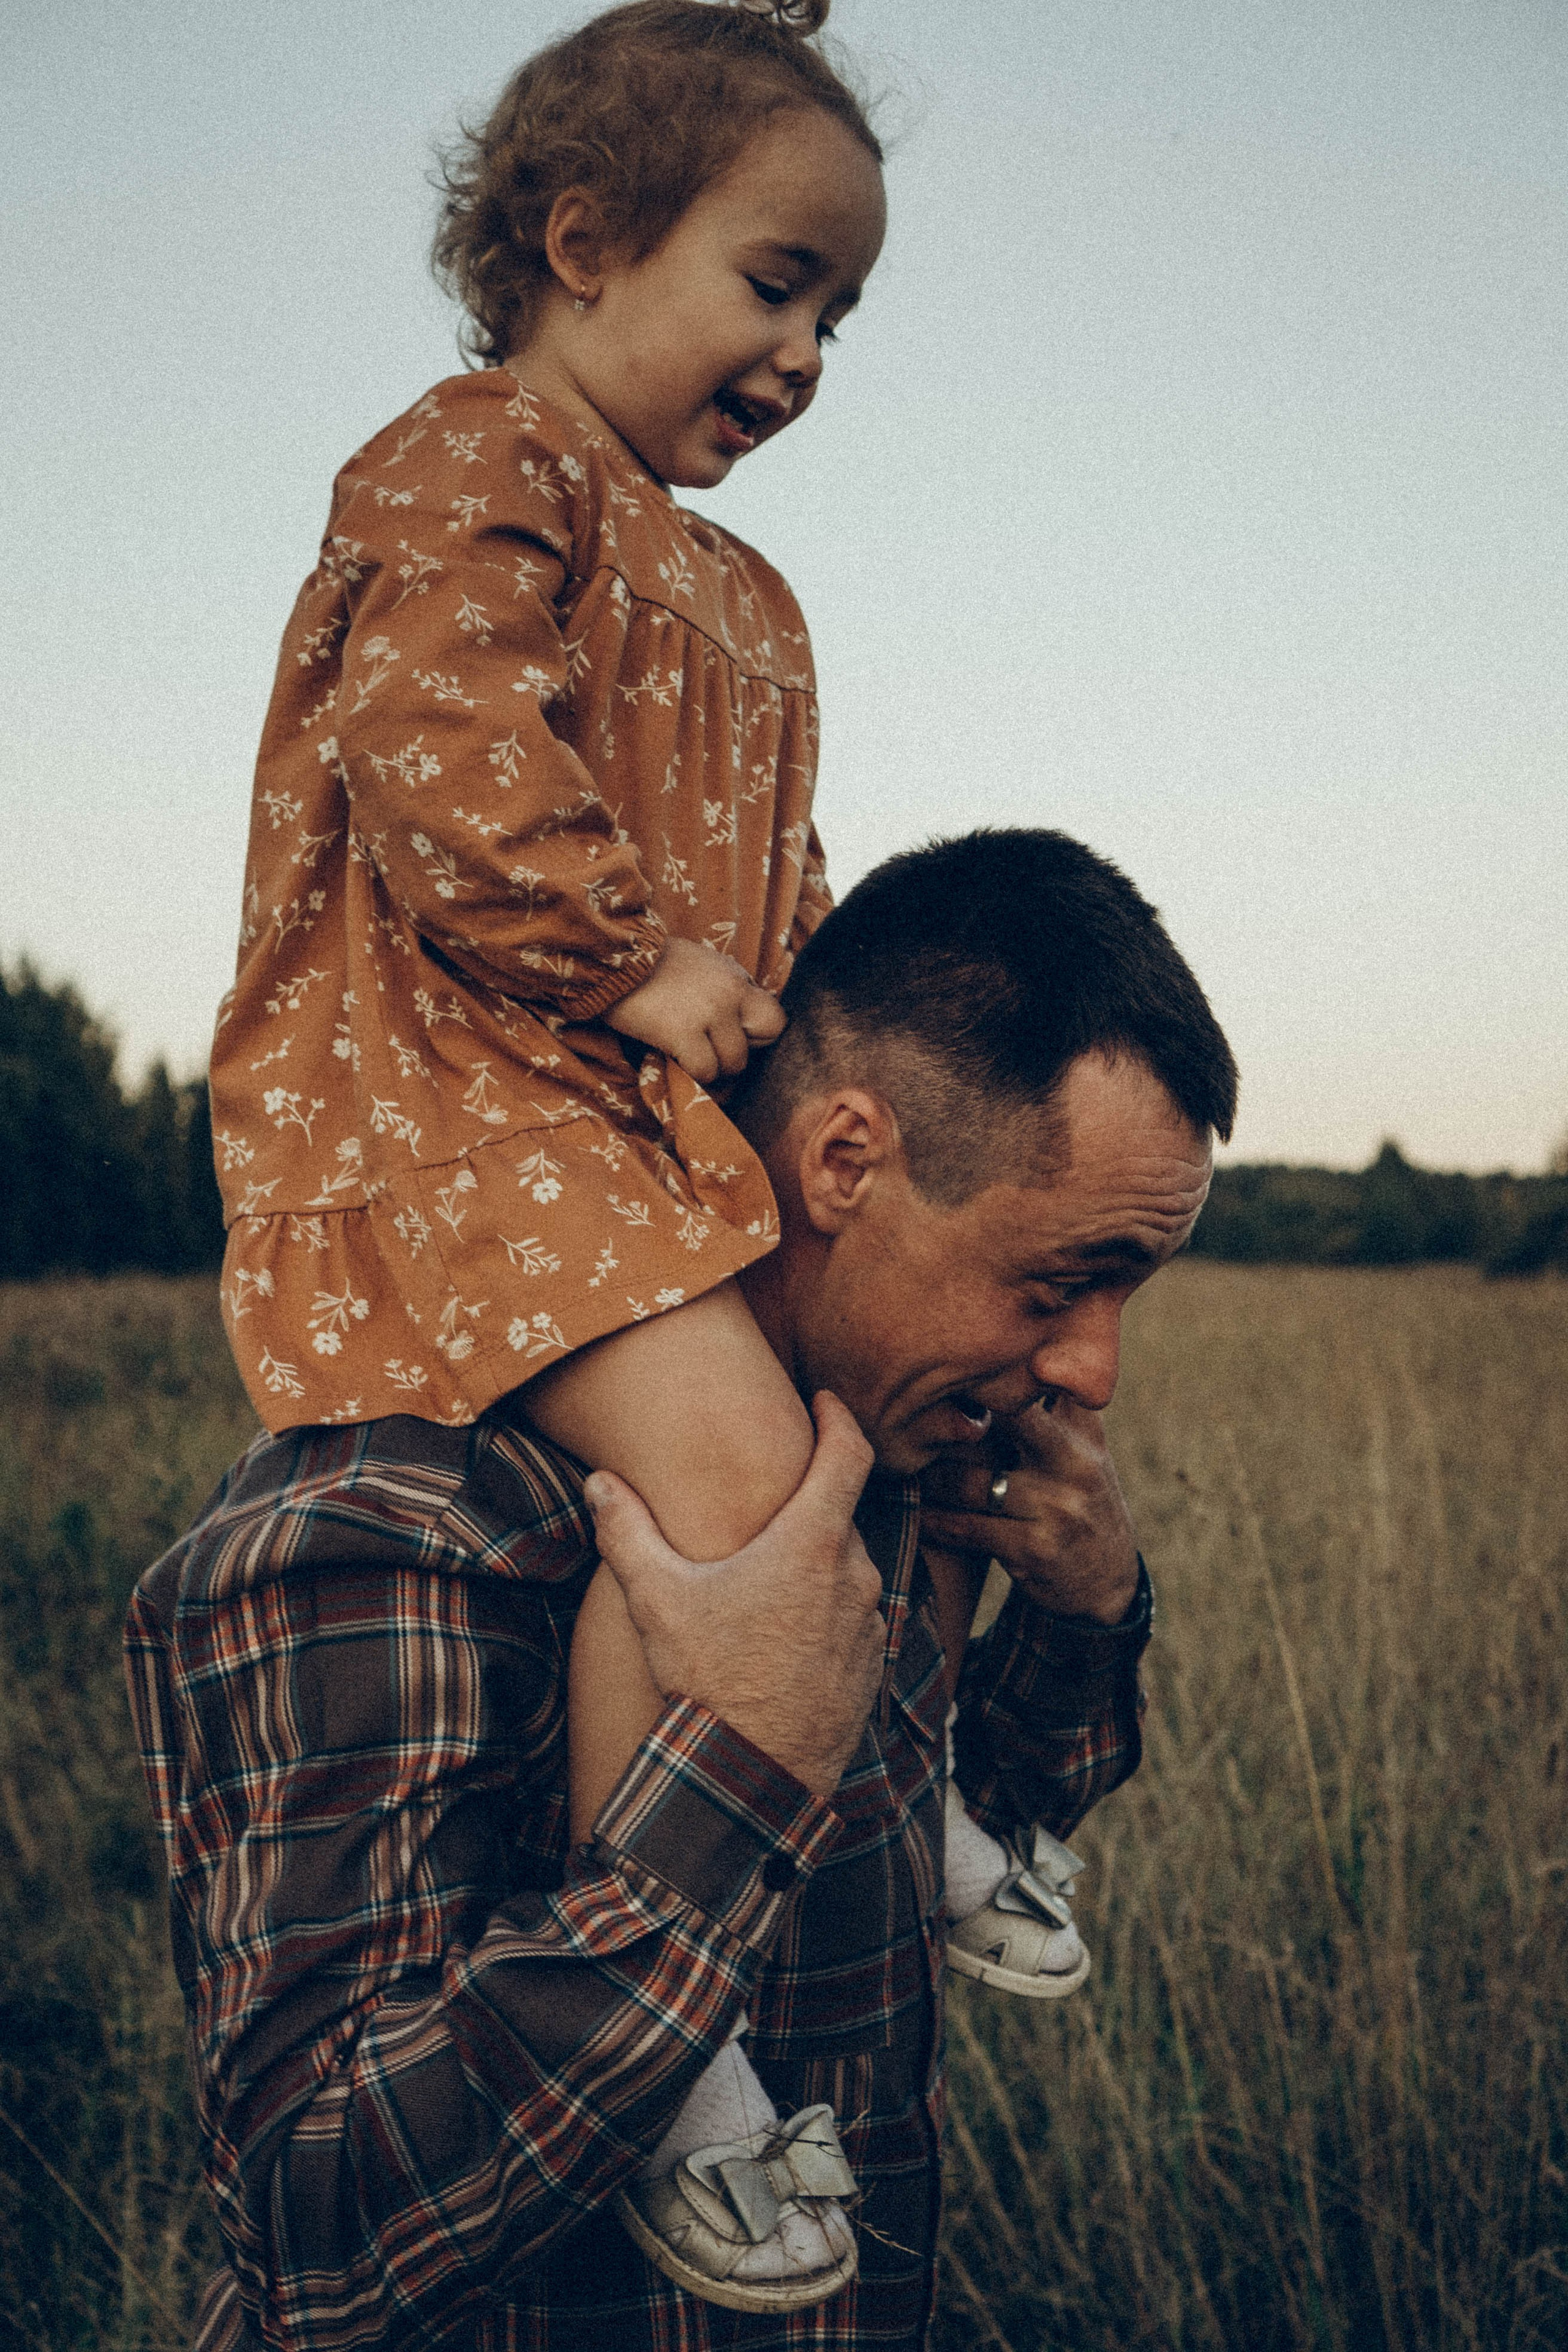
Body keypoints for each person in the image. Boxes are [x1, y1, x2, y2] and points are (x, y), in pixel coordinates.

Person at [204, 2, 1051, 2301]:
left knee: (898, 1396)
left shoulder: (751, 597)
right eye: (779, 284)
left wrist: (774, 1021)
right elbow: (443, 741)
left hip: (643, 1126)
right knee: (719, 1471)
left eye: (840, 315)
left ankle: (908, 1767)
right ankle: (673, 2068)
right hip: (468, 1106)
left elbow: (776, 897)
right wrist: (627, 957)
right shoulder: (466, 457)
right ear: (586, 242)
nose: (806, 354)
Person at [128, 827, 1238, 2350]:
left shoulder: (905, 1457)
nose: (1094, 1371)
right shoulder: (390, 1524)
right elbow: (315, 2240)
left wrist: (1089, 1610)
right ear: (844, 1161)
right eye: (1055, 1284)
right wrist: (737, 1775)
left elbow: (983, 1841)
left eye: (1128, 1294)